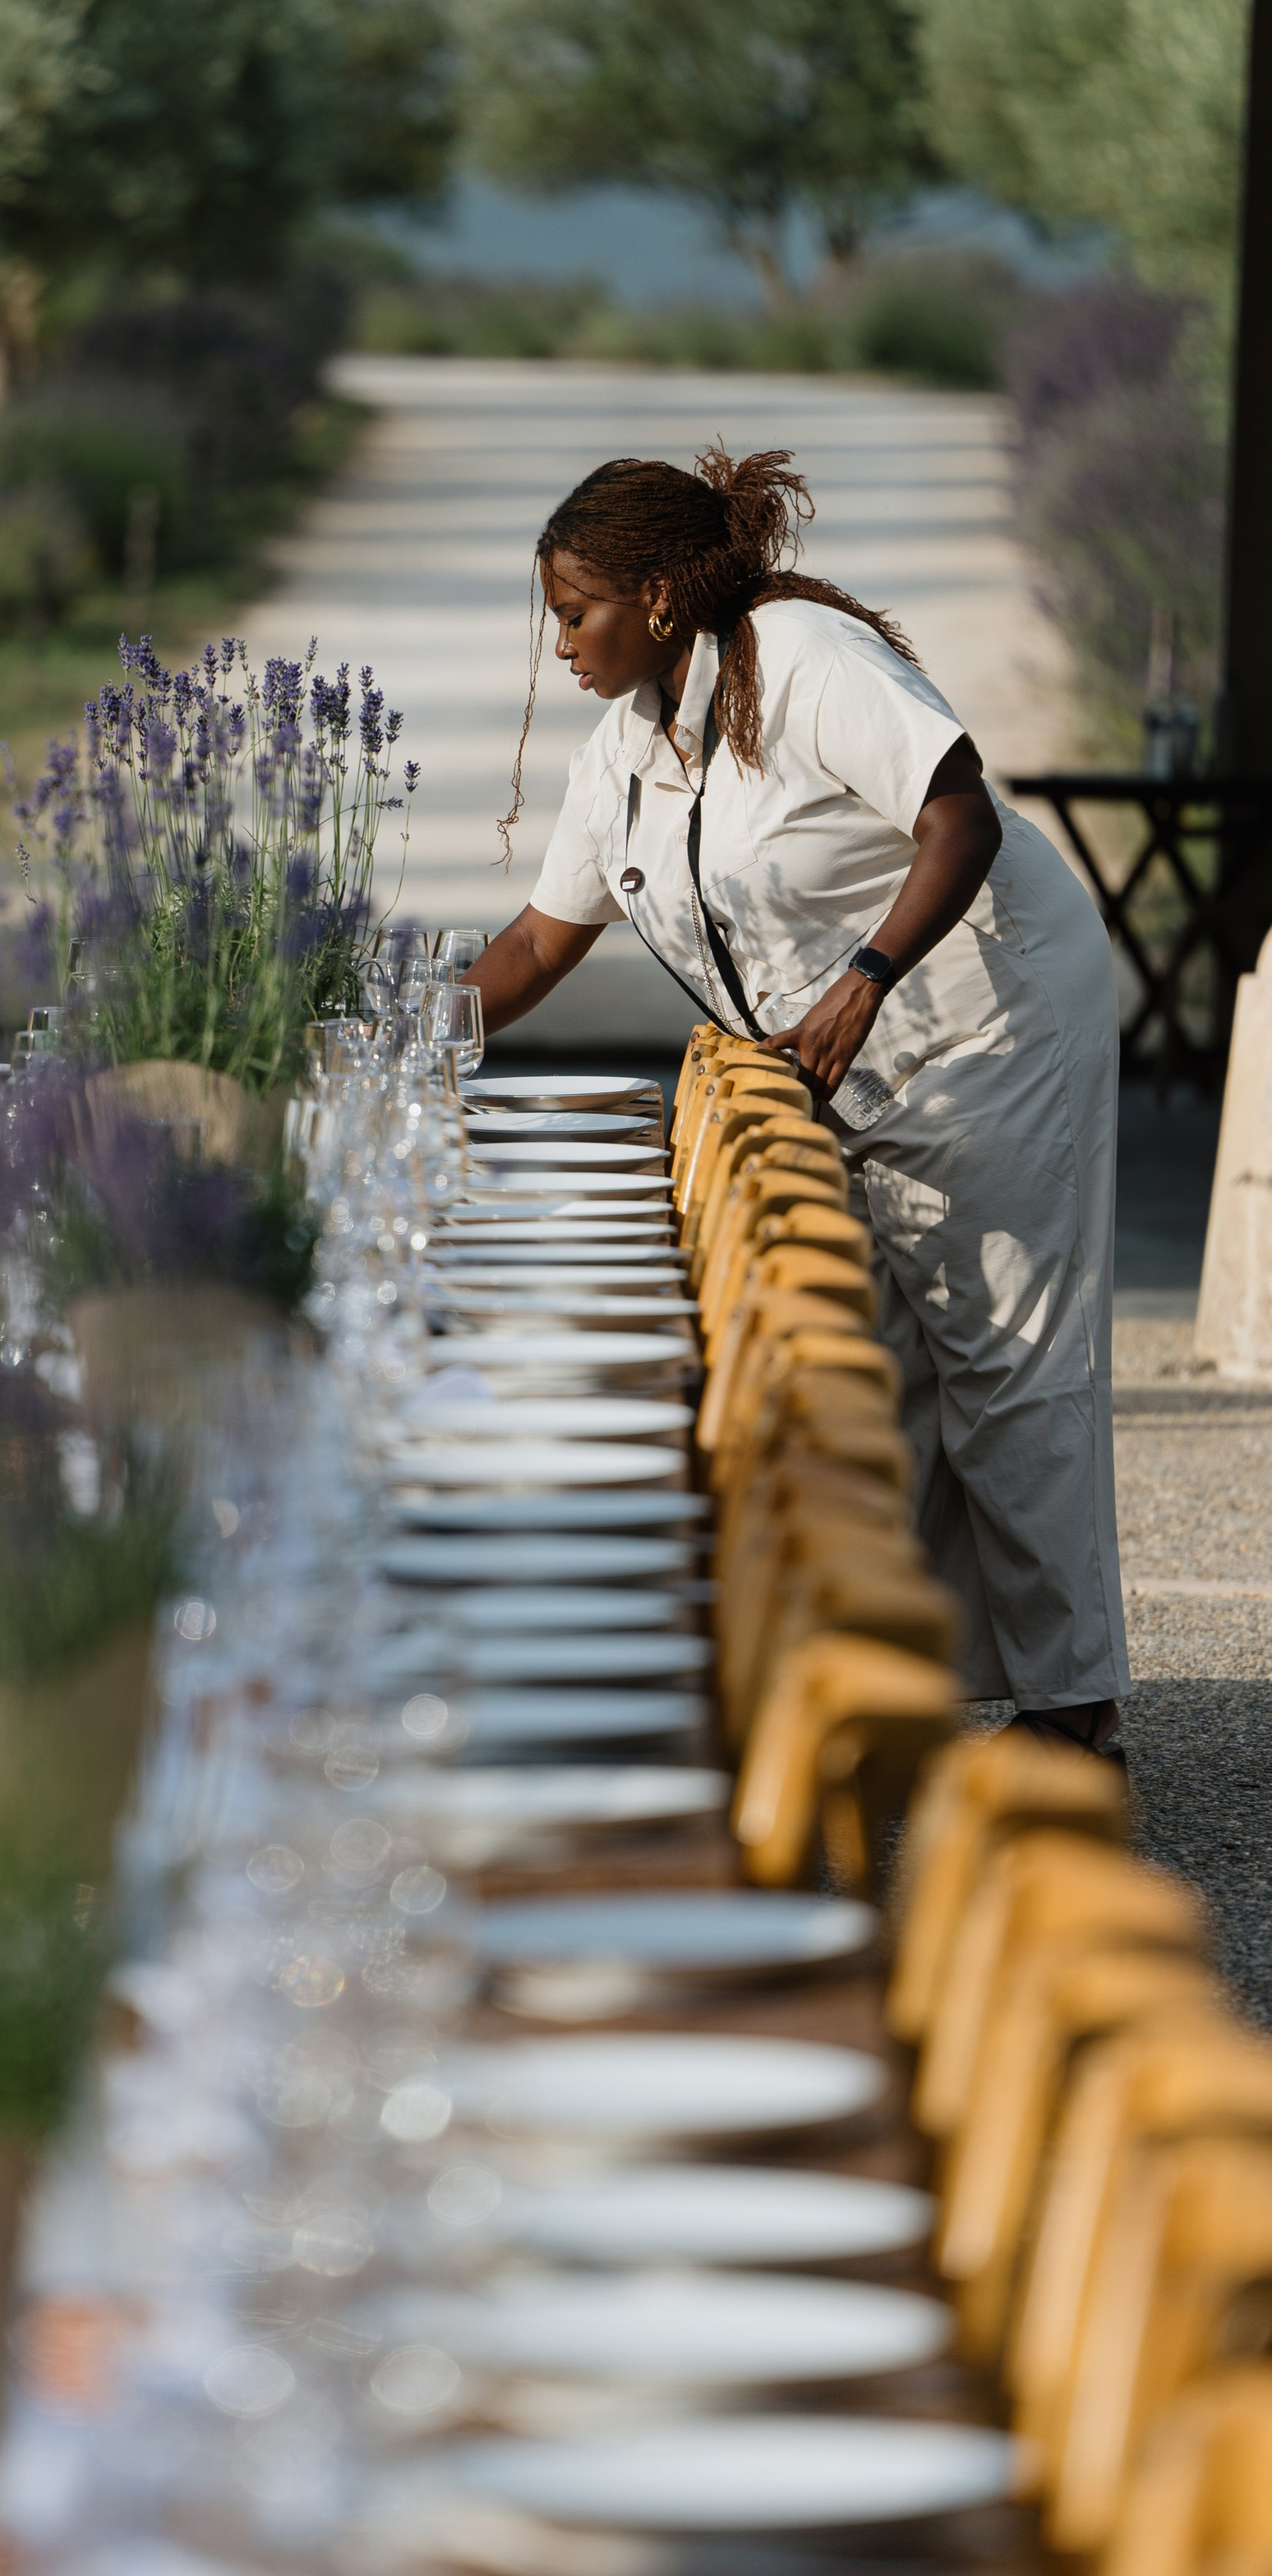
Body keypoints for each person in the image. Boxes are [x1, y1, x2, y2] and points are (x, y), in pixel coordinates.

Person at [467, 444, 1127, 1755]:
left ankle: (1072, 1710)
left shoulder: (806, 656)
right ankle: (917, 1684)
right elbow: (540, 946)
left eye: (575, 612)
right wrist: (389, 1044)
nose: (563, 649)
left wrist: (868, 977)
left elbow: (961, 819)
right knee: (874, 1366)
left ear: (659, 596)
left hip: (986, 1022)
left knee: (1002, 1351)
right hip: (849, 1054)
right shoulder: (629, 746)